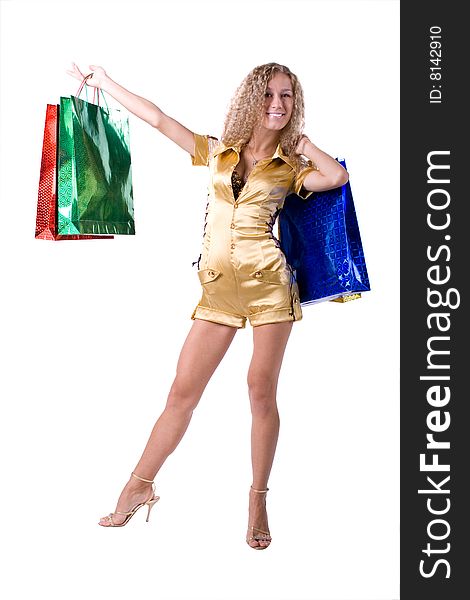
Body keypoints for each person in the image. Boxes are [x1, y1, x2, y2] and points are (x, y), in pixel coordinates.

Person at [66, 61, 349, 549]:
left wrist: (306, 146)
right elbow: (157, 120)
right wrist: (105, 82)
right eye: (268, 96)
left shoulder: (291, 168)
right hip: (217, 288)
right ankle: (140, 484)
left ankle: (257, 498)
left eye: (286, 96)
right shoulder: (219, 152)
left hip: (269, 289)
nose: (277, 105)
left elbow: (337, 177)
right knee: (182, 393)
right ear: (251, 101)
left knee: (260, 391)